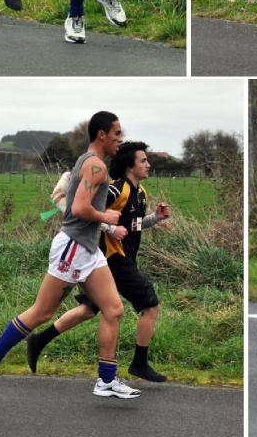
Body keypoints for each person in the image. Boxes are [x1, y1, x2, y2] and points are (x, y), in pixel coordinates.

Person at [0, 111, 141, 399]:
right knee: (42, 312)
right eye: (116, 133)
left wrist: (103, 223)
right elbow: (79, 208)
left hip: (88, 249)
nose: (120, 139)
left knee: (113, 309)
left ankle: (106, 380)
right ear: (101, 134)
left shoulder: (91, 162)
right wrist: (106, 218)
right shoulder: (95, 166)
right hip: (73, 247)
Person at [27, 142, 171, 383]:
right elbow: (87, 212)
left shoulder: (141, 193)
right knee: (150, 305)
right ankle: (139, 363)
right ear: (130, 167)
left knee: (89, 310)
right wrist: (109, 228)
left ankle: (39, 340)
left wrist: (155, 217)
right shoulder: (115, 190)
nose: (148, 164)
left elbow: (131, 225)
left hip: (120, 260)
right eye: (143, 160)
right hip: (114, 259)